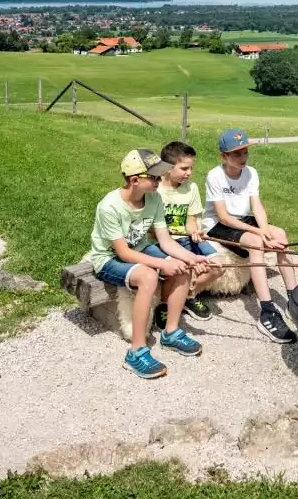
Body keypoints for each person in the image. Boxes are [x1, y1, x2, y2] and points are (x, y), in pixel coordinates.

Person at [83, 148, 214, 379]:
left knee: (181, 265)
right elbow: (123, 253)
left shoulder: (154, 198)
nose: (158, 181)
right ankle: (136, 352)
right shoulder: (109, 206)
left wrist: (191, 258)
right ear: (134, 180)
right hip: (109, 258)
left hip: (140, 248)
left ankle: (170, 332)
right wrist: (161, 265)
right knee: (149, 276)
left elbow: (165, 240)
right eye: (153, 177)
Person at [204, 128, 298, 344]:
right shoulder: (214, 176)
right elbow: (224, 217)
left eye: (245, 152)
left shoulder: (251, 172)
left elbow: (257, 207)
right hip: (218, 225)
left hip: (243, 220)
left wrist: (266, 230)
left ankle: (294, 297)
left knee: (281, 235)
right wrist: (259, 233)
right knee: (256, 244)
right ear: (224, 157)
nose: (242, 158)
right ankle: (266, 311)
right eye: (236, 154)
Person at [157, 140, 223, 322]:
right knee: (179, 269)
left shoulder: (191, 188)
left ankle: (187, 295)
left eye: (191, 168)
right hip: (162, 242)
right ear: (168, 168)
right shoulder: (156, 189)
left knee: (218, 266)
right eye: (184, 168)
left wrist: (194, 232)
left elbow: (191, 221)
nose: (189, 173)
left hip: (185, 239)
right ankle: (165, 303)